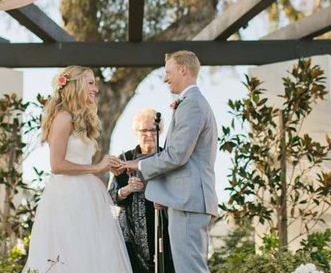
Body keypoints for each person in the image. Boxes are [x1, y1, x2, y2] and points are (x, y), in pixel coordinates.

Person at [22, 66, 132, 273]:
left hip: (87, 193)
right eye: (90, 83)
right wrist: (97, 167)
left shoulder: (83, 120)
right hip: (67, 194)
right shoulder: (63, 117)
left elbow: (81, 161)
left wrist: (109, 166)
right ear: (75, 85)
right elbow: (57, 165)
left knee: (92, 253)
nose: (95, 89)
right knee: (71, 252)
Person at [123, 51, 218, 273]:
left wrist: (137, 164)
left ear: (183, 70)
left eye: (168, 72)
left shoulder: (192, 104)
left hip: (189, 202)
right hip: (188, 201)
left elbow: (176, 156)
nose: (165, 78)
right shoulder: (191, 103)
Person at [108, 109, 175, 273]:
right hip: (131, 235)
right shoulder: (124, 159)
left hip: (164, 228)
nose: (149, 134)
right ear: (136, 132)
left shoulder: (167, 157)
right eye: (144, 130)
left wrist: (165, 200)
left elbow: (178, 190)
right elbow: (110, 197)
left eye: (153, 130)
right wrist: (128, 189)